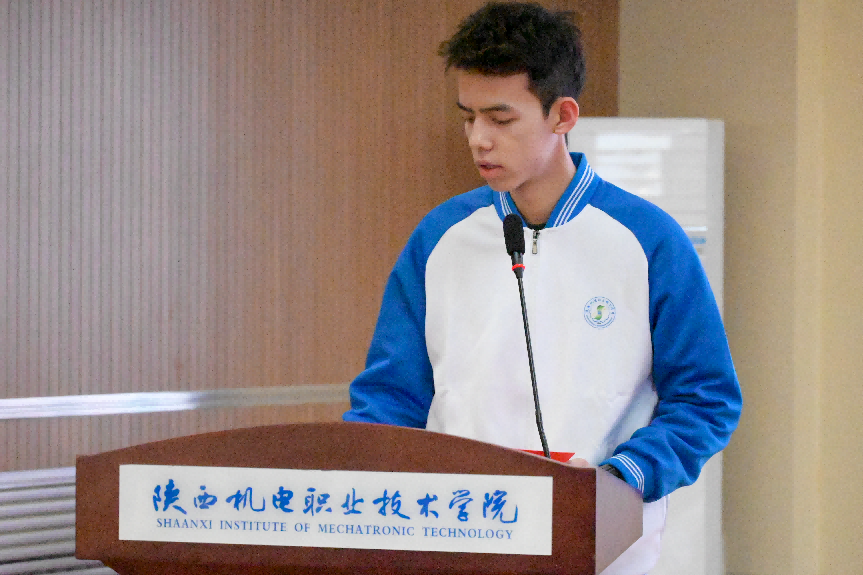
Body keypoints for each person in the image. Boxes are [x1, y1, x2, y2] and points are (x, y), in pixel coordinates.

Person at [343, 2, 742, 573]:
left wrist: (621, 478)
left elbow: (707, 399)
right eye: (469, 118)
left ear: (562, 115)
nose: (479, 139)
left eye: (501, 120)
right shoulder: (439, 237)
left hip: (600, 545)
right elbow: (389, 398)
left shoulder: (648, 239)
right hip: (456, 540)